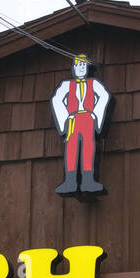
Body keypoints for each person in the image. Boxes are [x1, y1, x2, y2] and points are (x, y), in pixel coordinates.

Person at [50, 54, 112, 195]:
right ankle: (70, 182)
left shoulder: (94, 84)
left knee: (89, 148)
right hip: (72, 120)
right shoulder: (66, 85)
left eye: (83, 65)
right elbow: (57, 100)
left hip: (88, 119)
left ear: (87, 68)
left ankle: (88, 181)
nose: (81, 68)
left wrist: (95, 114)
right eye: (78, 65)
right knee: (71, 149)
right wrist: (65, 118)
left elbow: (104, 96)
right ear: (74, 68)